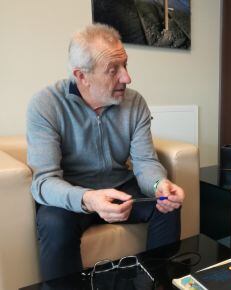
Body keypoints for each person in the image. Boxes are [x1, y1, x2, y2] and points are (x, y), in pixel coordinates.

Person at [26, 23, 185, 281]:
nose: (126, 77)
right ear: (82, 76)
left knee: (167, 205)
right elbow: (43, 182)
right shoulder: (45, 105)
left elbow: (145, 162)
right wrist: (88, 198)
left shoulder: (135, 103)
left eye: (125, 65)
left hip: (120, 187)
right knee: (54, 224)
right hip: (71, 195)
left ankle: (156, 282)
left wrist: (159, 184)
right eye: (113, 70)